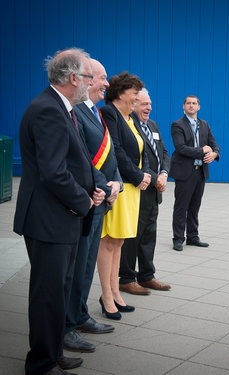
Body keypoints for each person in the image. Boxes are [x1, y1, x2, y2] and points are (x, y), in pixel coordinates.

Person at [13, 48, 105, 375]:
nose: (92, 83)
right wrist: (84, 201)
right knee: (48, 297)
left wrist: (89, 188)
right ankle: (40, 363)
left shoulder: (64, 108)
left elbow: (70, 162)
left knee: (59, 292)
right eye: (89, 77)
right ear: (72, 78)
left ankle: (52, 353)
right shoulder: (48, 110)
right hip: (49, 219)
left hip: (60, 217)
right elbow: (53, 171)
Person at [63, 59, 122, 353]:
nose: (106, 84)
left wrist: (117, 183)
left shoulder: (93, 112)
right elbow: (82, 159)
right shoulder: (75, 113)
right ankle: (69, 324)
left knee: (86, 266)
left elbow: (110, 154)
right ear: (84, 79)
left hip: (101, 198)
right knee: (78, 268)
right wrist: (104, 185)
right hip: (89, 199)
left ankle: (80, 315)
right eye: (102, 78)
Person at [98, 73, 150, 318]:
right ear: (120, 93)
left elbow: (143, 148)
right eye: (134, 93)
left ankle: (115, 292)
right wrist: (139, 176)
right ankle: (106, 295)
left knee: (119, 241)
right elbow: (116, 150)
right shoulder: (110, 113)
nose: (137, 97)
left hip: (132, 189)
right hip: (120, 185)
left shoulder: (132, 117)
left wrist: (145, 173)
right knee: (108, 241)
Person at [120, 89, 171, 294]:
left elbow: (164, 152)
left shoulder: (153, 125)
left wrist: (165, 174)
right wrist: (154, 177)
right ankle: (126, 277)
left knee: (149, 233)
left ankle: (147, 275)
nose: (148, 108)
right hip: (138, 188)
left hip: (154, 189)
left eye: (150, 104)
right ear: (133, 104)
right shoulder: (128, 126)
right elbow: (132, 159)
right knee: (133, 235)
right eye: (143, 104)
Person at [170, 95, 220, 251]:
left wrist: (214, 154)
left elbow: (214, 145)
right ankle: (178, 238)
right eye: (188, 103)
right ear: (183, 106)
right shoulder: (177, 125)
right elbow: (181, 148)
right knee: (181, 207)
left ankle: (192, 237)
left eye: (194, 103)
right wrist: (202, 151)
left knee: (194, 207)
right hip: (185, 172)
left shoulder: (204, 124)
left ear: (199, 107)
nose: (191, 106)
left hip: (200, 172)